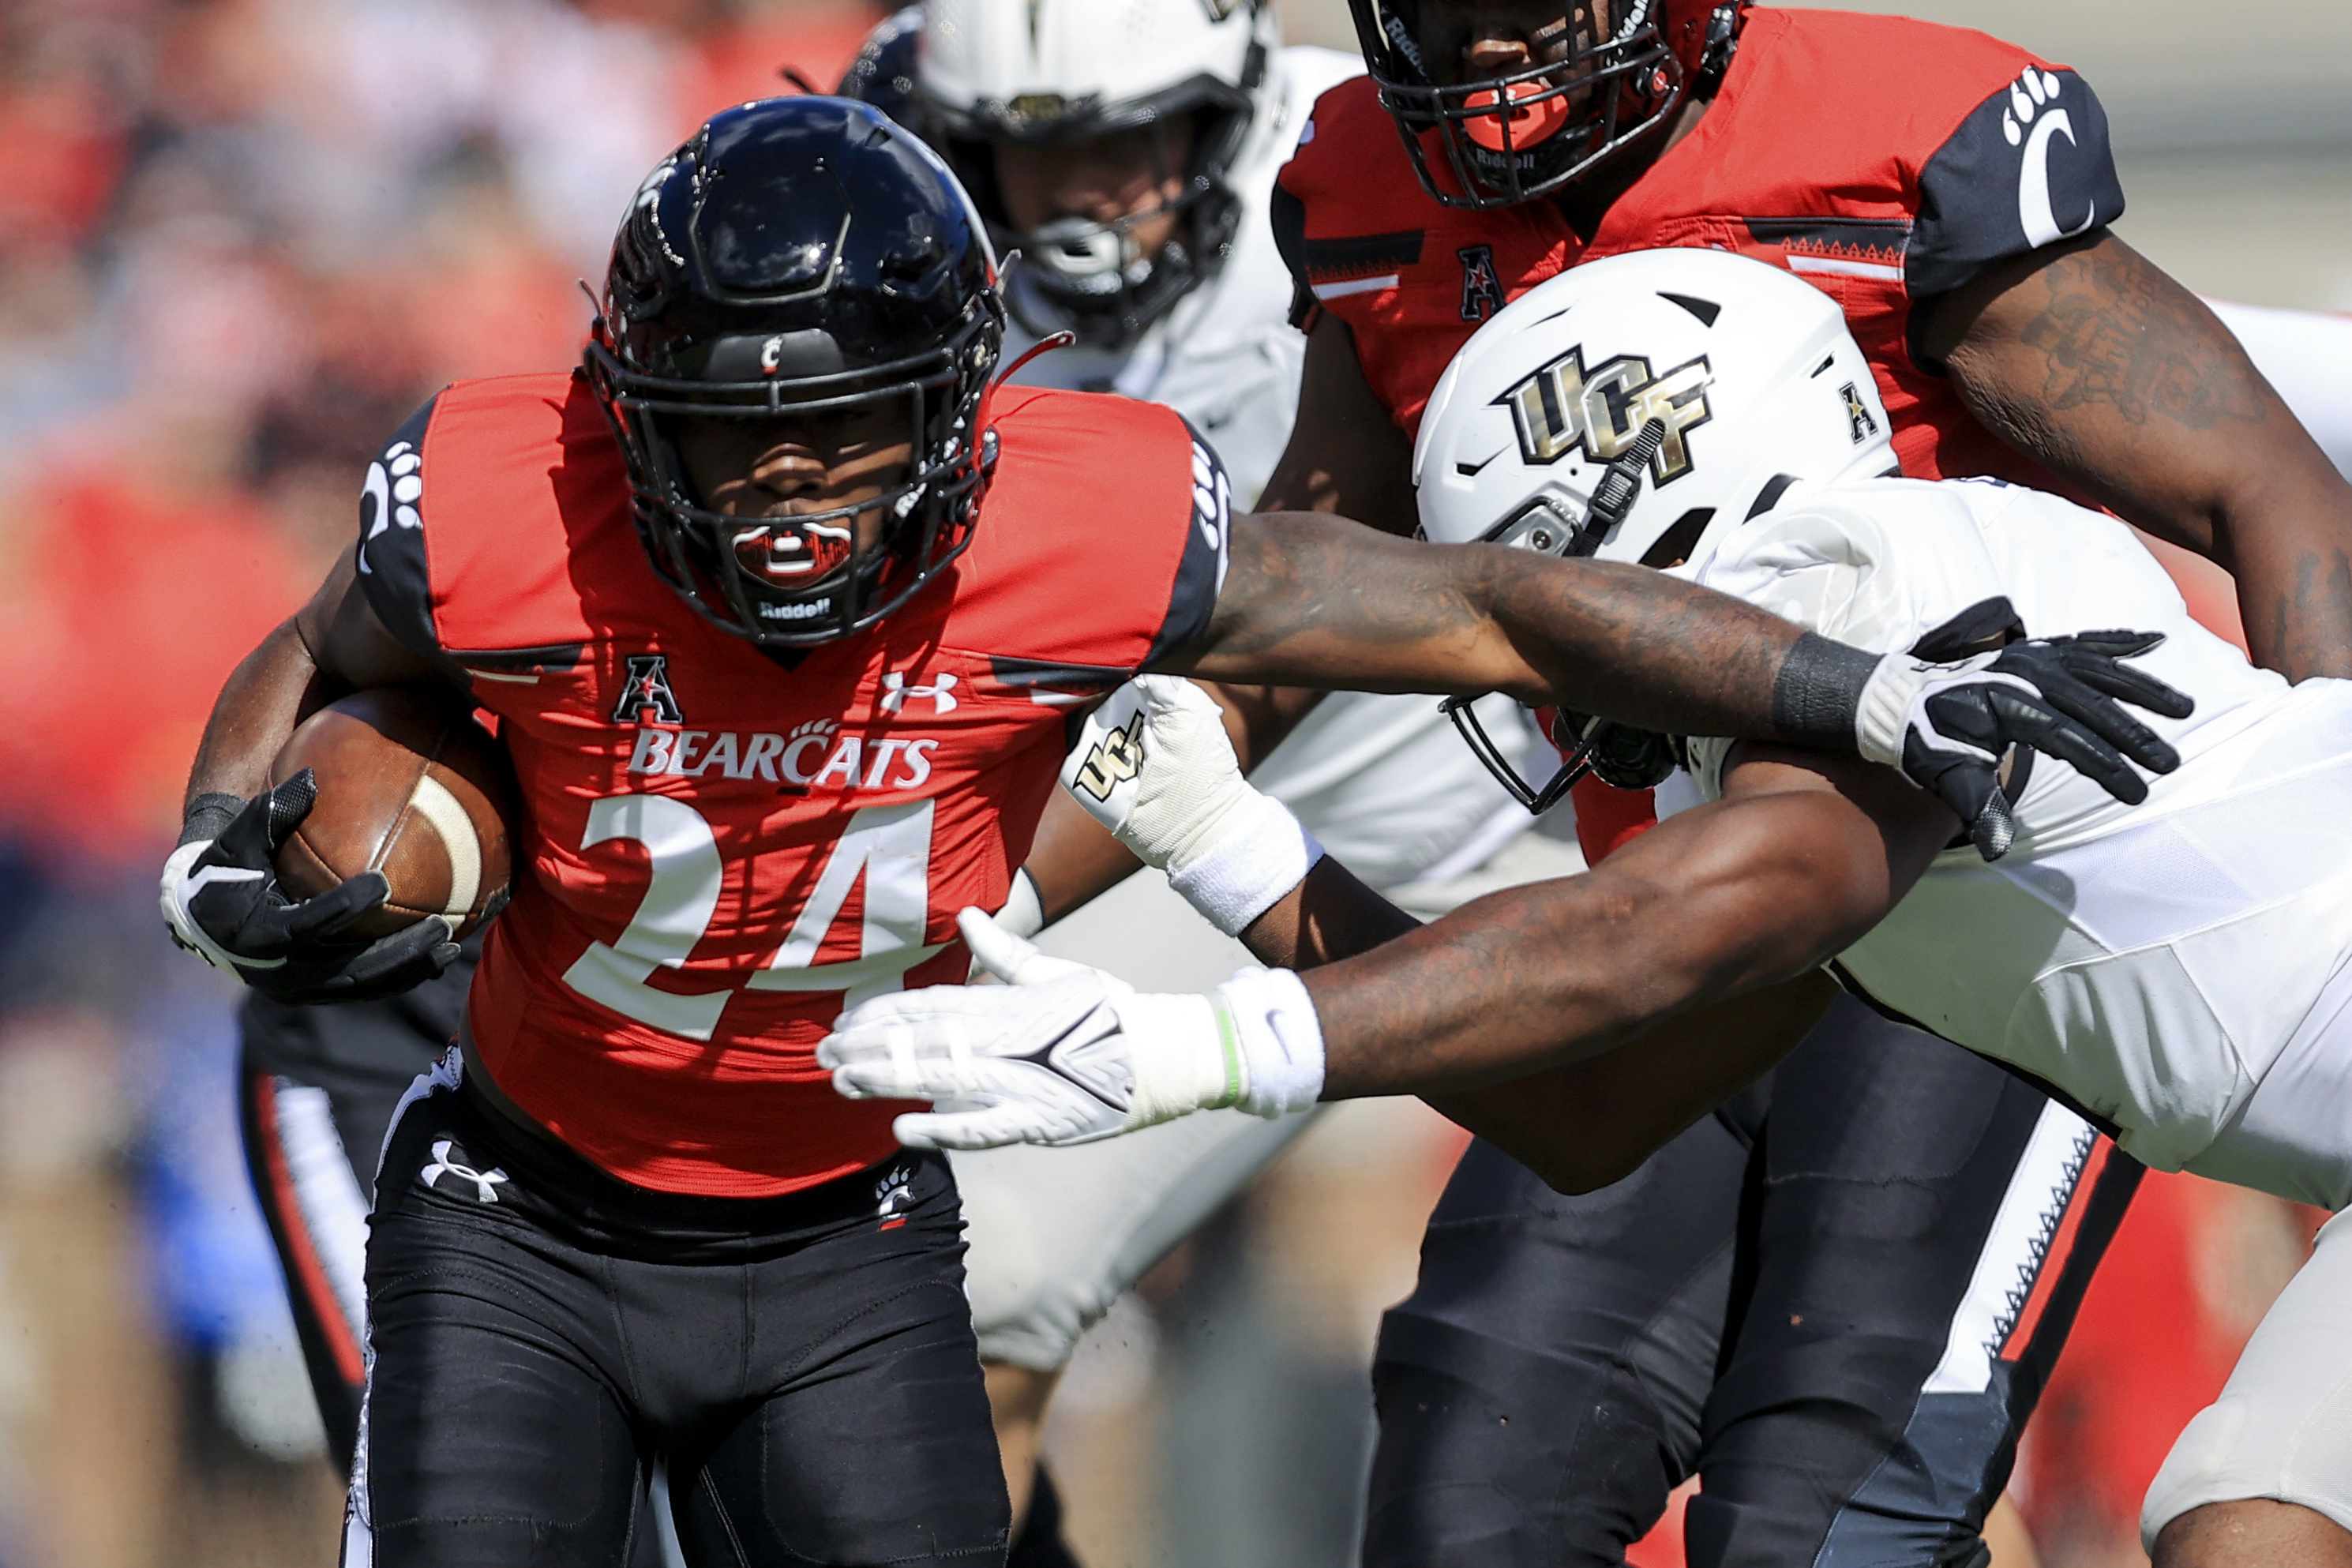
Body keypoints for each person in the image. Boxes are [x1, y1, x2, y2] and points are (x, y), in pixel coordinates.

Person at [157, 99, 2146, 1567]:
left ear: (952, 415)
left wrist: (1844, 687)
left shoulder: (1086, 527)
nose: (783, 491)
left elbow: (1488, 606)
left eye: (842, 427)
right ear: (627, 415)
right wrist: (212, 856)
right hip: (526, 1216)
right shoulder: (517, 504)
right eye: (723, 432)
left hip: (846, 1231)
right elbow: (317, 642)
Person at [822, 246, 2352, 1568]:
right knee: (2246, 1515)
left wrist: (1180, 1053)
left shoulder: (1895, 593)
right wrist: (1240, 856)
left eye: (1571, 604)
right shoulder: (1778, 725)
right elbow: (1589, 1105)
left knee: (2237, 1525)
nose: (1550, 673)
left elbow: (1663, 927)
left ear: (1682, 541)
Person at [843, 5, 1561, 1546]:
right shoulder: (927, 250)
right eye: (1034, 151)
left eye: (1128, 135)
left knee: (1820, 1360)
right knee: (946, 1291)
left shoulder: (1390, 161)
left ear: (1227, 104)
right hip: (1211, 806)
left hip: (1559, 785)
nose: (1086, 188)